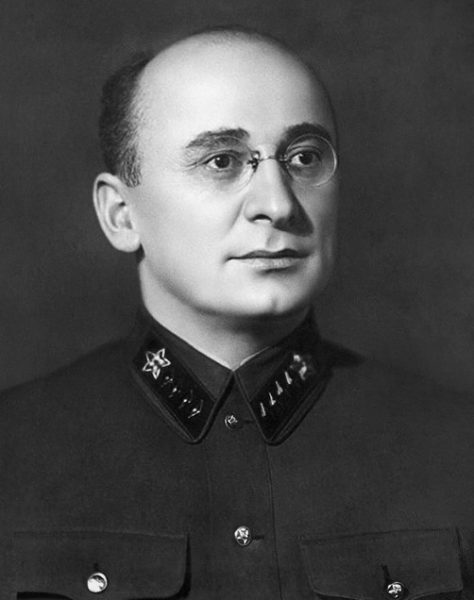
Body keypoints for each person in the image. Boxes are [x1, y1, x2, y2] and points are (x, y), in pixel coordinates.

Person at [1, 26, 474, 600]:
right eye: (221, 161)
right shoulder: (15, 451)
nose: (277, 204)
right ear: (121, 214)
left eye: (304, 157)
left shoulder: (457, 447)